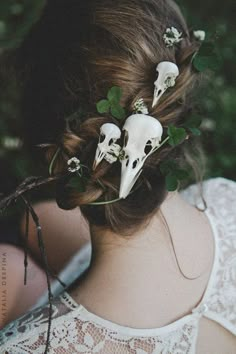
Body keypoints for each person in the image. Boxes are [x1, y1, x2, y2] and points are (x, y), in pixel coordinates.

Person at [0, 0, 236, 353]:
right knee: (35, 222)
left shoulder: (30, 347)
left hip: (114, 314)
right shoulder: (227, 200)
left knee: (6, 262)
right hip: (168, 277)